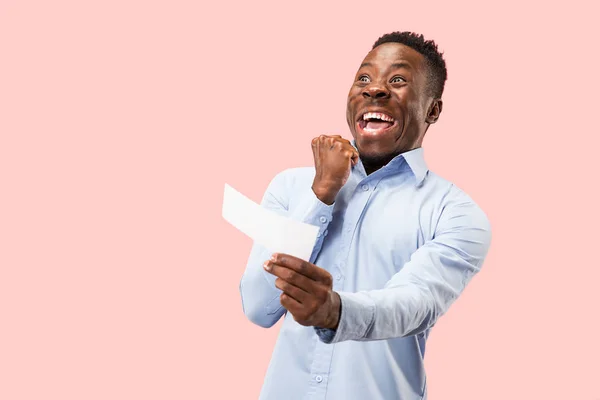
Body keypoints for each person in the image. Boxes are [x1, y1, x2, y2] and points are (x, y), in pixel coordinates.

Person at [239, 31, 492, 400]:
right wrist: (321, 193)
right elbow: (258, 307)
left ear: (432, 110)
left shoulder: (455, 214)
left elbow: (413, 304)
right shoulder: (291, 187)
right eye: (364, 78)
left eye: (398, 80)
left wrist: (335, 312)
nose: (374, 90)